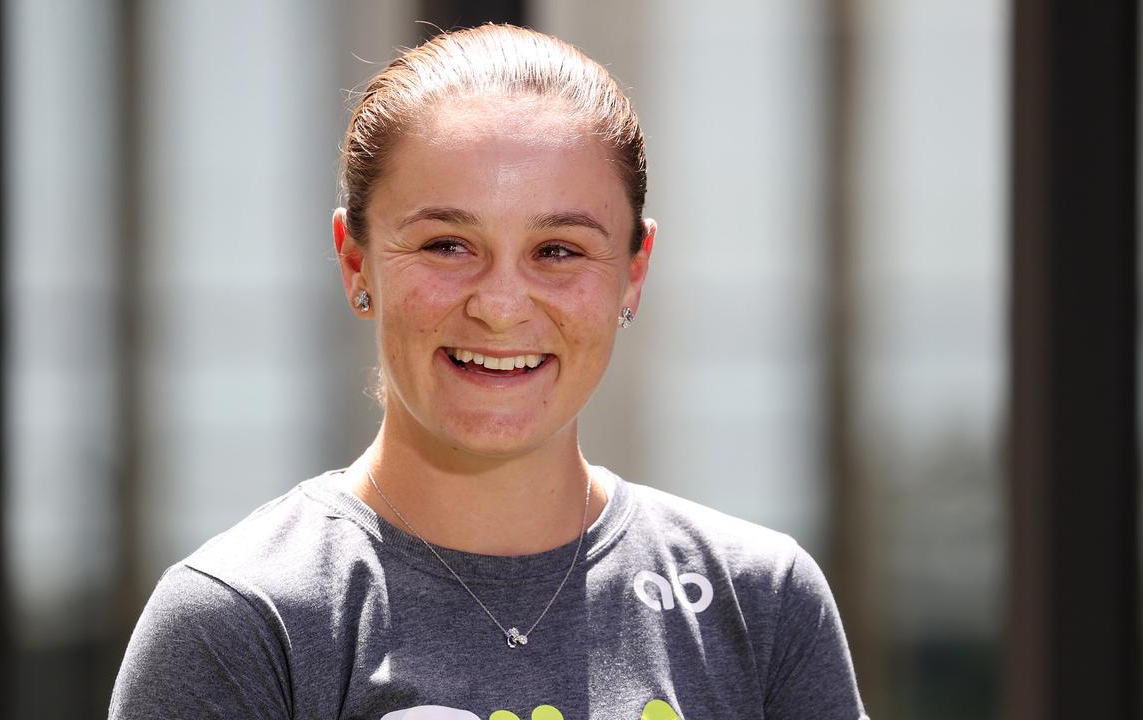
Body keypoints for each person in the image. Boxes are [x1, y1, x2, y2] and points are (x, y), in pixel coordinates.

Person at [109, 24, 867, 720]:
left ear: (634, 272)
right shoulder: (240, 620)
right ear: (354, 261)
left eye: (559, 251)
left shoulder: (759, 602)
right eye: (446, 244)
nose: (501, 307)